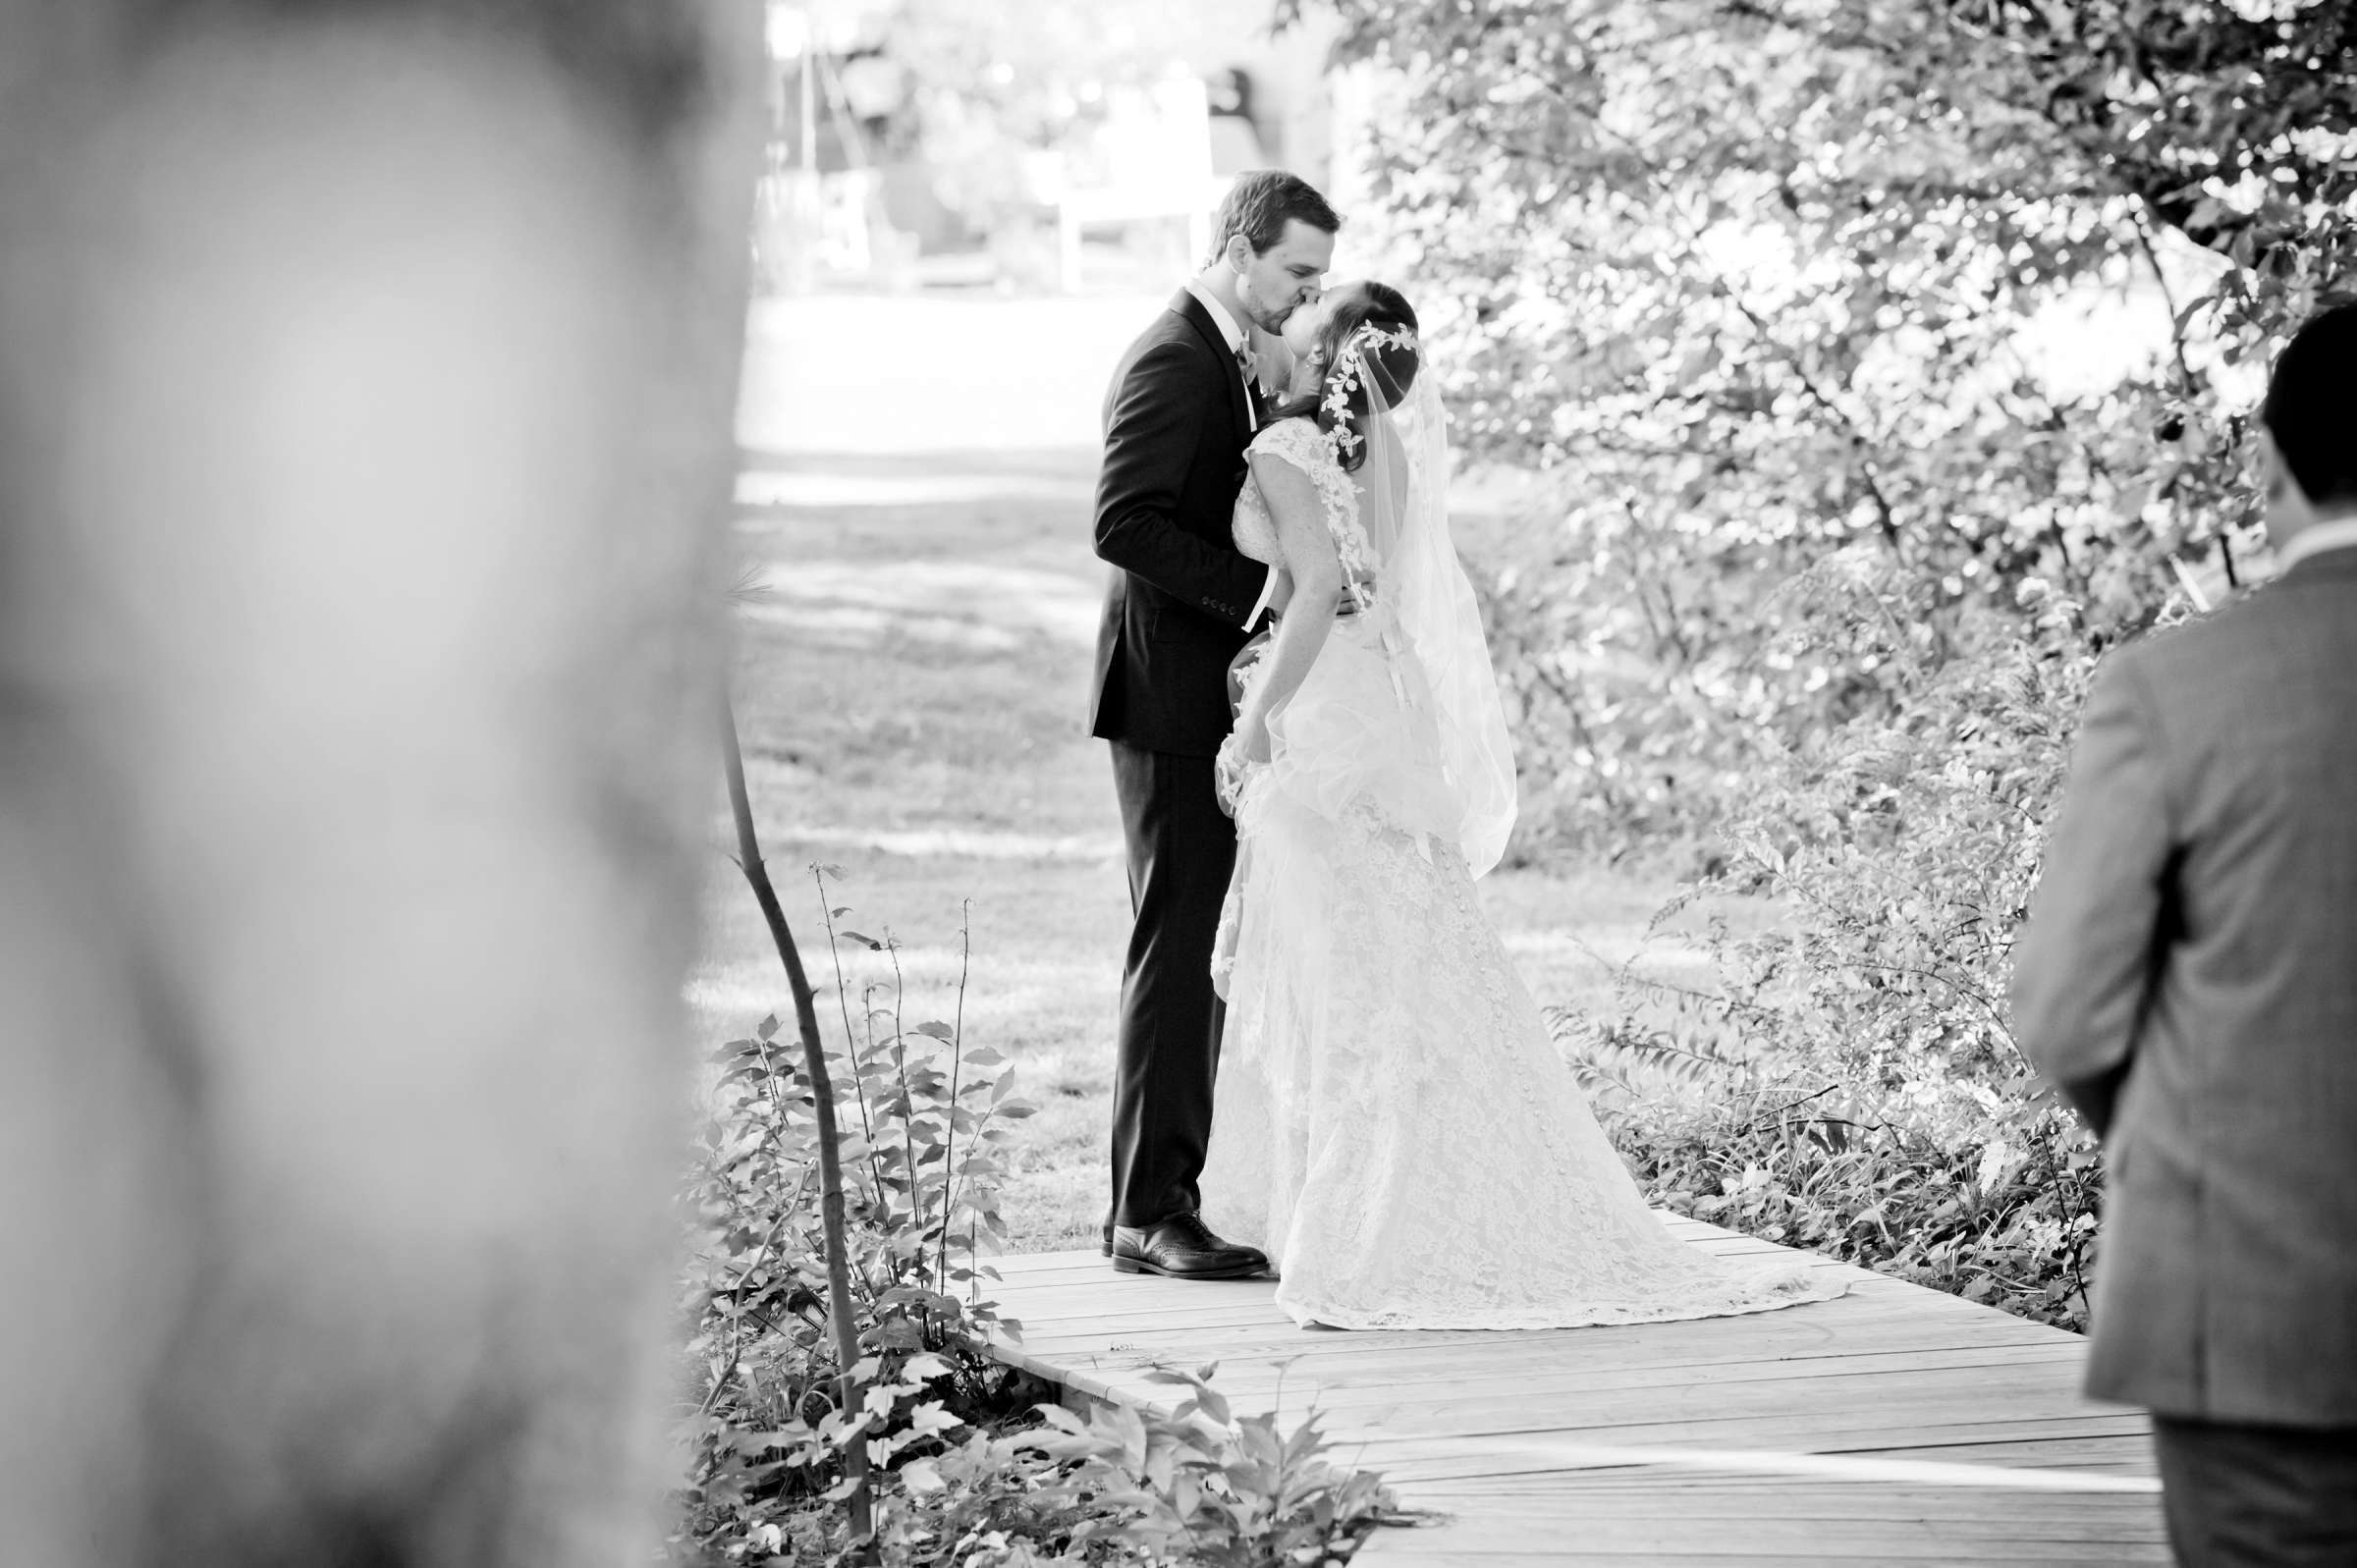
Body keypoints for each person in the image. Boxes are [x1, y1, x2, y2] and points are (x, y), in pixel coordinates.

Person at [1196, 280, 1846, 1329]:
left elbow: (1313, 590)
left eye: (1305, 319)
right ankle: (1411, 1190)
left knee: (1346, 969)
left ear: (1325, 355)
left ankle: (1356, 1223)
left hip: (1324, 716)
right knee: (1414, 956)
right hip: (1384, 698)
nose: (1284, 327)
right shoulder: (1391, 451)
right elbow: (1379, 586)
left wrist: (1253, 721)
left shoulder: (1282, 450)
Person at [2011, 301, 2357, 1566]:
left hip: (2253, 1309)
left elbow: (2065, 1008)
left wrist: (2197, 1140)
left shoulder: (2176, 688)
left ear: (2270, 469)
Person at [1089, 170, 1340, 1279]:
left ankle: (1161, 1199)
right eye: (1296, 271)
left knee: (1193, 948)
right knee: (1176, 948)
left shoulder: (1231, 349)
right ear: (1241, 248)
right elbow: (1124, 519)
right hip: (1169, 697)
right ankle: (1150, 1214)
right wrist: (1261, 599)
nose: (1306, 295)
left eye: (1319, 278)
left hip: (1205, 696)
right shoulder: (1173, 354)